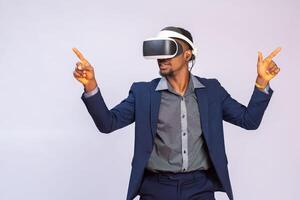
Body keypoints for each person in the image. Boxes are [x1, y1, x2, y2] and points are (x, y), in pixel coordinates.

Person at [72, 26, 281, 200]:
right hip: (156, 188)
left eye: (168, 50)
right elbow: (108, 123)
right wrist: (90, 86)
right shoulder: (143, 93)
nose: (161, 58)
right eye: (157, 52)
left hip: (200, 188)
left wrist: (261, 82)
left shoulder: (212, 91)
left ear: (187, 54)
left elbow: (249, 120)